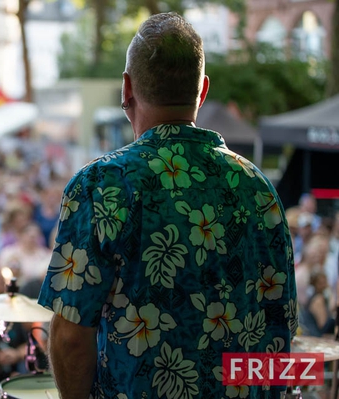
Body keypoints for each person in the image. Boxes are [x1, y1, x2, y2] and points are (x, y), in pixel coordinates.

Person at [38, 13, 296, 399]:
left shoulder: (103, 185)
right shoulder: (260, 189)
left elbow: (71, 336)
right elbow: (282, 327)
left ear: (126, 89)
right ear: (202, 90)